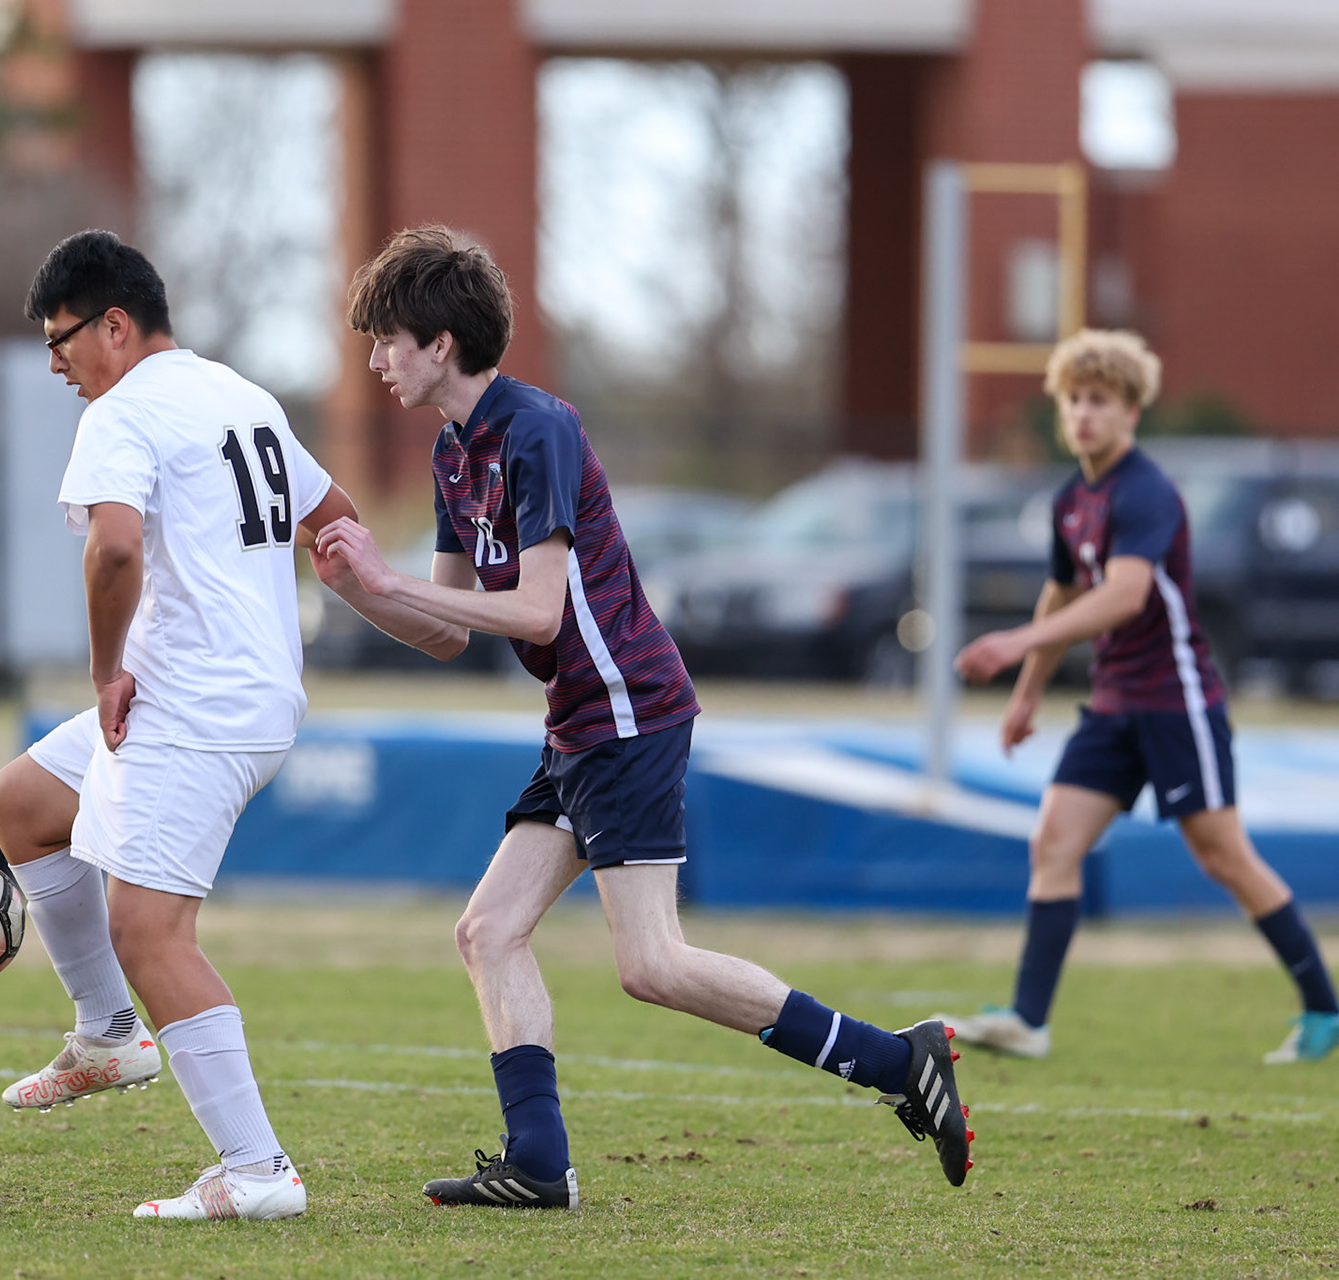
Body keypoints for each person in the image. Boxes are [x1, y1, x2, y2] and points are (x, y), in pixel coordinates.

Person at [311, 225, 974, 1208]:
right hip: (579, 721)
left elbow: (534, 611)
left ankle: (897, 1060)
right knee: (488, 931)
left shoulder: (537, 427)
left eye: (387, 339)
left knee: (652, 963)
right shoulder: (457, 452)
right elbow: (451, 632)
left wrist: (388, 575)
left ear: (440, 342)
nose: (374, 359)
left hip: (629, 710)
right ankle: (539, 1160)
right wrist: (360, 590)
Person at [0, 229, 358, 1220]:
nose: (54, 361)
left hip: (189, 701)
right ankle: (107, 1033)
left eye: (61, 337)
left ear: (114, 323)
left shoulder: (125, 409)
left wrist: (106, 669)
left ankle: (259, 1172)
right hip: (242, 692)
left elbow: (113, 553)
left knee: (148, 927)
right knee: (23, 803)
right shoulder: (243, 394)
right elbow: (338, 516)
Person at [949, 329, 1337, 1065]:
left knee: (1222, 855)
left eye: (1100, 400)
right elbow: (1061, 592)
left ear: (1132, 412)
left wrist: (1016, 645)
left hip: (1175, 697)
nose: (1084, 413)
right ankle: (1029, 1019)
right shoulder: (1073, 497)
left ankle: (1324, 1006)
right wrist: (1026, 695)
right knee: (1054, 841)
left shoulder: (1147, 491)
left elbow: (1124, 597)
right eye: (1073, 399)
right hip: (1114, 701)